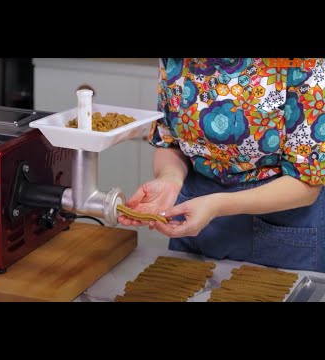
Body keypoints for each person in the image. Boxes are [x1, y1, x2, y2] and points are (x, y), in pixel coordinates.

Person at [118, 58, 325, 272]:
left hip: (279, 231)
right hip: (195, 224)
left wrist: (216, 206)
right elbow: (170, 142)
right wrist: (169, 178)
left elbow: (306, 184)